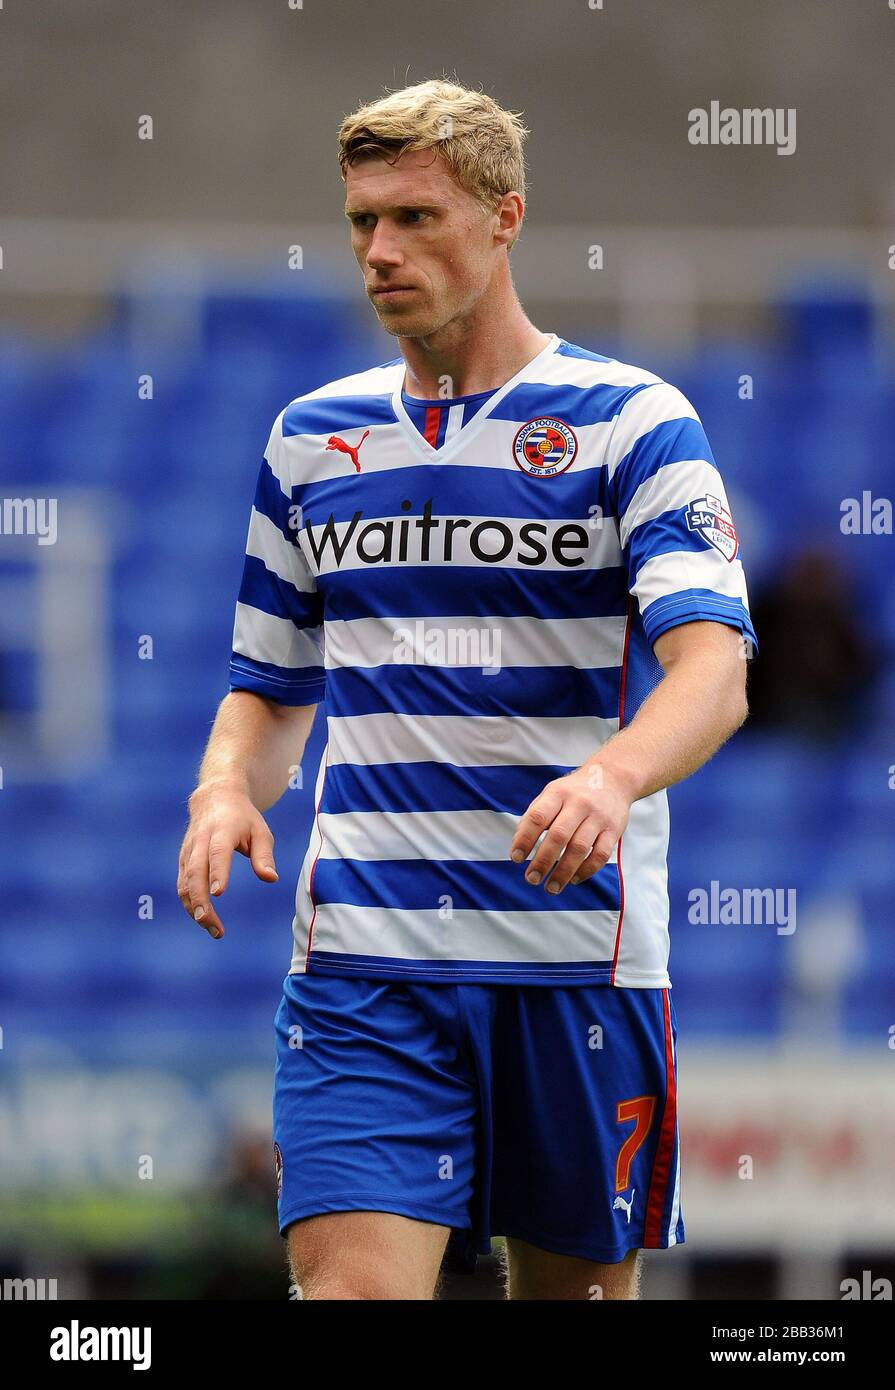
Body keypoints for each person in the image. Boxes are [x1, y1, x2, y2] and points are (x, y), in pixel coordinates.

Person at [177, 79, 756, 1301]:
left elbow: (712, 673)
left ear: (505, 219)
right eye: (360, 222)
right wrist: (226, 790)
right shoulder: (309, 440)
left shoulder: (632, 422)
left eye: (415, 219)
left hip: (574, 966)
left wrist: (610, 776)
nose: (378, 252)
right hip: (362, 965)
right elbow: (271, 689)